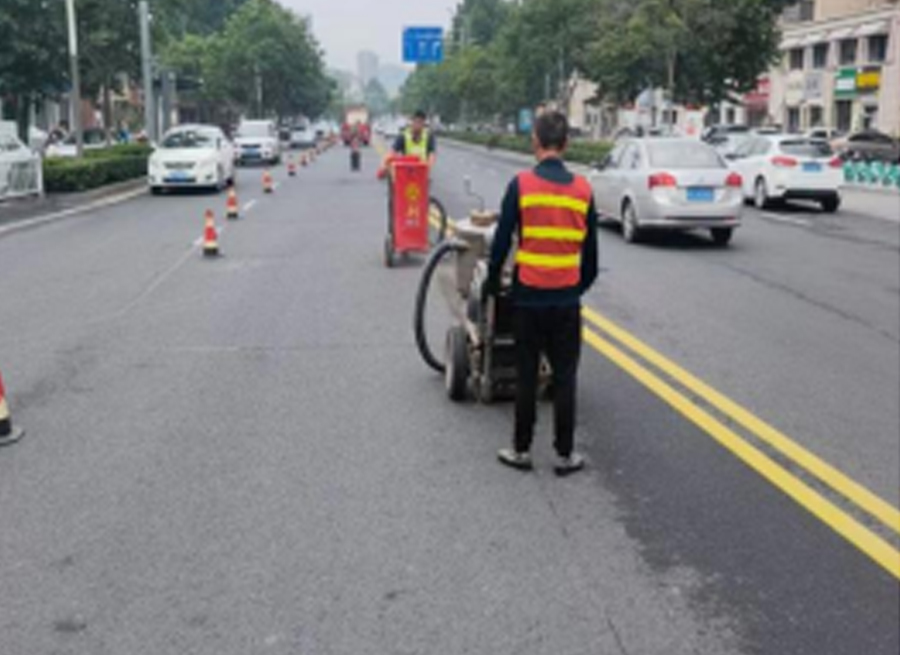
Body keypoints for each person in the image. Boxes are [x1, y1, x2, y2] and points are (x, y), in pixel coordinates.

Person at [487, 110, 599, 476]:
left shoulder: (521, 185)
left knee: (526, 374)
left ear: (535, 140)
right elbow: (591, 260)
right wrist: (573, 288)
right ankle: (565, 455)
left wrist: (493, 285)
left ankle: (521, 450)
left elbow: (501, 243)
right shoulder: (583, 190)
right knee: (565, 377)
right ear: (566, 144)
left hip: (528, 298)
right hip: (565, 300)